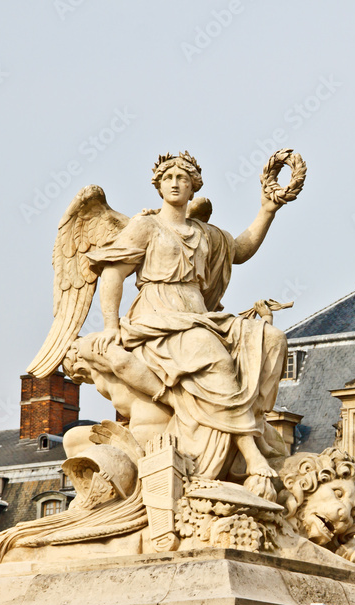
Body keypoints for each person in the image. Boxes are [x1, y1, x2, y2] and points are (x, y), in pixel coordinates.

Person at [84, 152, 288, 497]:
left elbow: (240, 250)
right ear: (159, 186)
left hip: (198, 315)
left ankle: (252, 418)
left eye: (183, 178)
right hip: (157, 318)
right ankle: (250, 451)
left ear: (194, 186)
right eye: (168, 178)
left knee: (271, 338)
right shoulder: (146, 226)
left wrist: (268, 210)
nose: (175, 183)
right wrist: (110, 325)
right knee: (214, 356)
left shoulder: (204, 232)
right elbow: (113, 274)